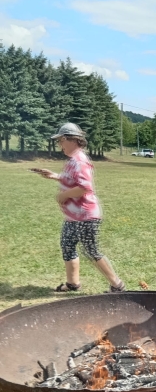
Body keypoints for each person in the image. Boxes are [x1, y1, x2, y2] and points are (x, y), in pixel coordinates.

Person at [35, 122, 125, 293]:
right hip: (73, 217)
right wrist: (54, 176)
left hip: (86, 216)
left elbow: (84, 187)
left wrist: (63, 195)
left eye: (61, 140)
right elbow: (72, 179)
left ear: (71, 140)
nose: (59, 145)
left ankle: (117, 285)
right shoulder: (72, 160)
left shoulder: (80, 160)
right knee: (67, 244)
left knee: (91, 250)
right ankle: (72, 283)